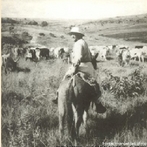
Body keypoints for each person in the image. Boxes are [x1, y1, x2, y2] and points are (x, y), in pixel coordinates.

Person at [52, 27, 105, 113]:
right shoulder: (84, 42)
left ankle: (58, 96)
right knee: (94, 83)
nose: (72, 36)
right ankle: (97, 102)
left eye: (74, 34)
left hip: (80, 65)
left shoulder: (78, 44)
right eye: (72, 34)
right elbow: (90, 56)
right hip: (88, 66)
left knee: (65, 78)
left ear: (78, 35)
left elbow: (79, 57)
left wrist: (75, 68)